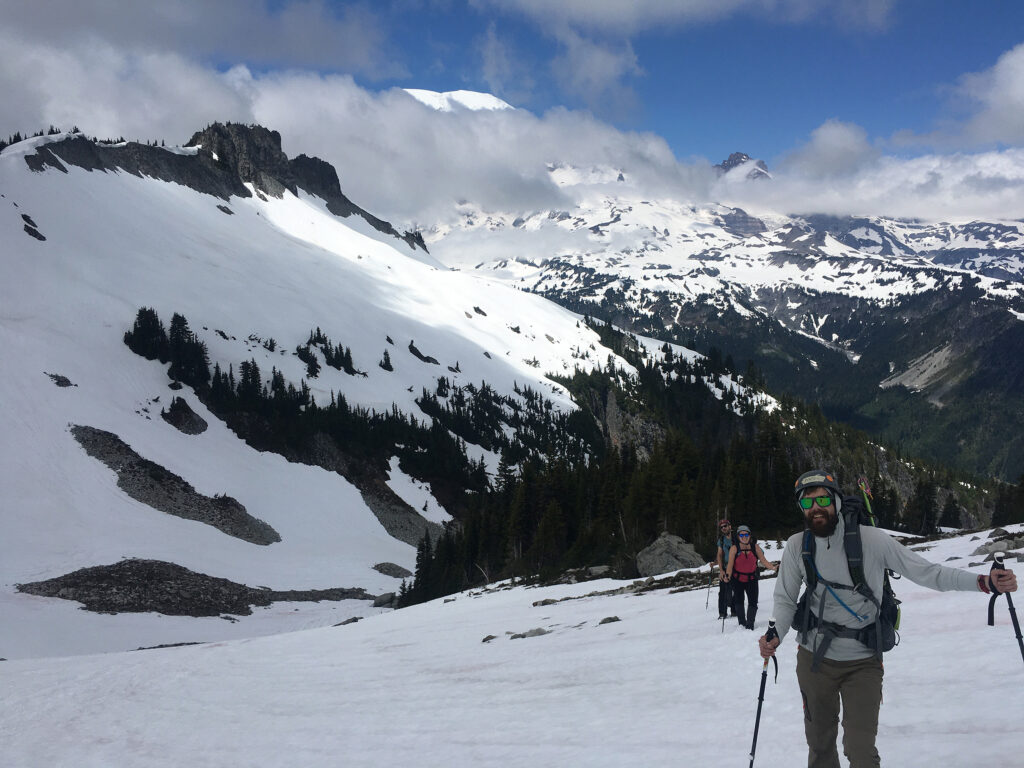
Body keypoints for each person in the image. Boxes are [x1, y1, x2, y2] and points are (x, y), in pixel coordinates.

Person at [758, 469, 1019, 768]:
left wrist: (984, 582)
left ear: (837, 502)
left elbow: (927, 573)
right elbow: (785, 599)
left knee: (860, 750)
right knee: (819, 746)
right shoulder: (797, 546)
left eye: (823, 499)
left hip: (863, 662)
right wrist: (775, 633)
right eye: (807, 503)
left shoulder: (873, 541)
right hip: (813, 660)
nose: (816, 508)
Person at [725, 524, 778, 629]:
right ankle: (741, 623)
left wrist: (773, 568)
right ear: (738, 536)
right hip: (737, 579)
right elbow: (730, 565)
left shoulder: (755, 547)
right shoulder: (734, 548)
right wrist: (727, 576)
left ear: (750, 535)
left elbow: (763, 561)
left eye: (746, 534)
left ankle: (750, 624)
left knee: (753, 602)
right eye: (741, 535)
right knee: (739, 601)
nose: (744, 537)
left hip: (752, 579)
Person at [714, 519, 734, 620]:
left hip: (737, 567)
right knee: (723, 591)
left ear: (730, 526)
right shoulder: (721, 540)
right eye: (721, 527)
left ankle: (735, 610)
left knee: (736, 589)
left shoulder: (737, 538)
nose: (723, 528)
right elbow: (719, 555)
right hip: (726, 568)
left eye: (725, 526)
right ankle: (722, 613)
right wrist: (721, 570)